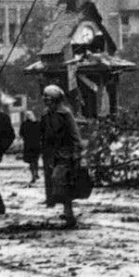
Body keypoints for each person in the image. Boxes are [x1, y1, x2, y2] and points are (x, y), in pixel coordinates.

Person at [39, 84, 84, 228]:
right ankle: (67, 210)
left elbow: (75, 134)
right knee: (58, 184)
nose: (46, 100)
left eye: (49, 98)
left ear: (56, 100)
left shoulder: (65, 114)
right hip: (51, 154)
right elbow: (44, 134)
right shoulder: (45, 115)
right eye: (45, 97)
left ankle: (69, 212)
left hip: (66, 153)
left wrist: (77, 152)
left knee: (59, 180)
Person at [20, 111, 42, 183]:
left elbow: (21, 133)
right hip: (36, 145)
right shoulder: (37, 123)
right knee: (36, 160)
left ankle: (33, 176)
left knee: (31, 162)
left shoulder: (24, 124)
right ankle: (37, 174)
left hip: (28, 145)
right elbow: (41, 132)